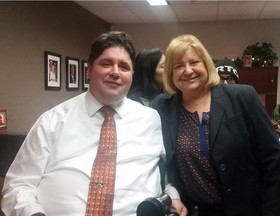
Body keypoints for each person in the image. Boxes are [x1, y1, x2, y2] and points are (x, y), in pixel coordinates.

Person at [1, 31, 187, 216]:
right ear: (89, 69)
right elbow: (18, 184)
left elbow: (167, 174)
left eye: (123, 66)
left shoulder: (151, 119)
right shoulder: (52, 120)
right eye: (106, 63)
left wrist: (173, 195)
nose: (115, 72)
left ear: (132, 73)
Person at [151, 34, 280, 216]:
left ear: (206, 64)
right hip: (192, 211)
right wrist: (171, 194)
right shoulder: (162, 107)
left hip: (246, 210)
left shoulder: (242, 97)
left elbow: (273, 161)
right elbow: (160, 161)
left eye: (194, 62)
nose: (188, 70)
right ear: (170, 73)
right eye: (179, 66)